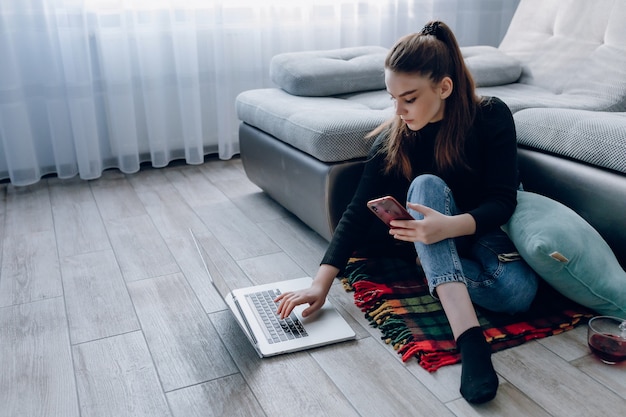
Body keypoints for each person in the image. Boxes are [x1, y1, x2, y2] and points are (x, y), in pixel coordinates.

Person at [275, 20, 539, 404]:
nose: (399, 110)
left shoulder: (491, 116)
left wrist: (449, 227)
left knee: (517, 295)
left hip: (483, 233)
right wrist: (320, 283)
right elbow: (356, 212)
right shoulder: (393, 139)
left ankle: (431, 267)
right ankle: (471, 343)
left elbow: (502, 200)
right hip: (438, 237)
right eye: (392, 98)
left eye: (410, 98)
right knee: (425, 187)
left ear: (444, 87)